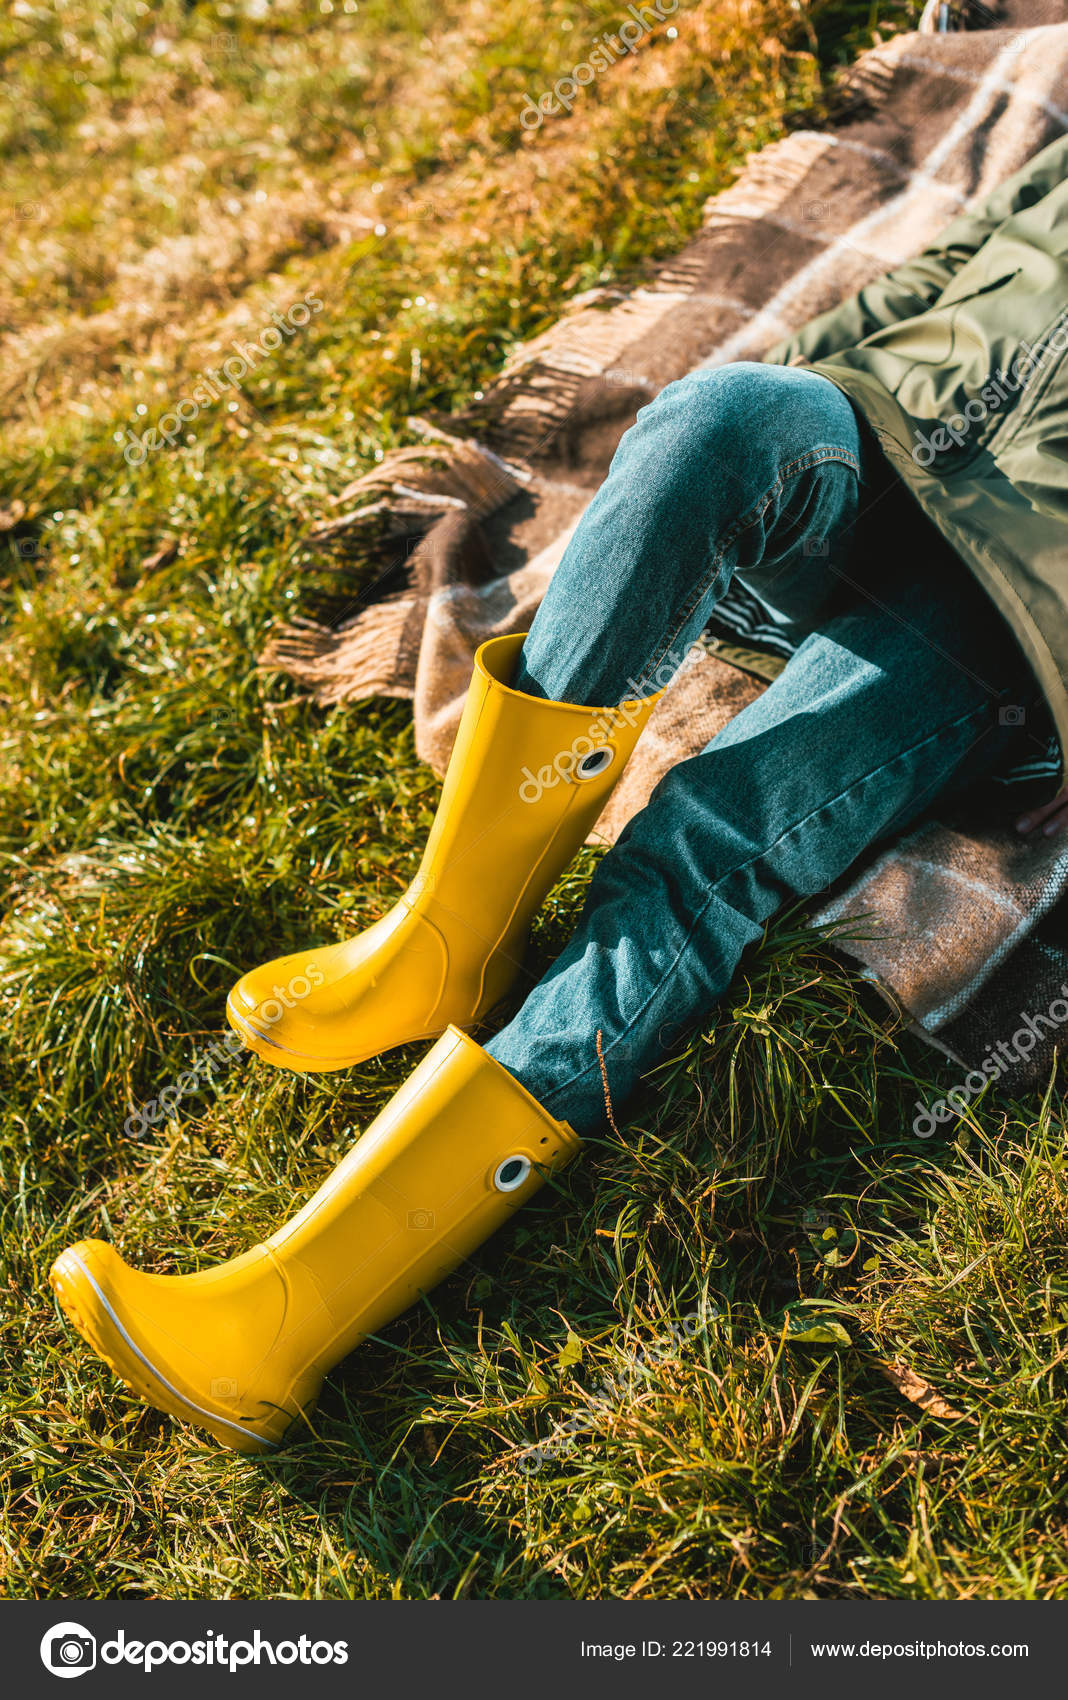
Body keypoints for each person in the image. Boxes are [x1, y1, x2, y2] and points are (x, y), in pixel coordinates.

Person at [51, 135, 1068, 1455]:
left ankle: (277, 1326)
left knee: (710, 832)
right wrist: (794, 409)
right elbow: (931, 279)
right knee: (719, 419)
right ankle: (449, 938)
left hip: (1013, 613)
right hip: (878, 452)